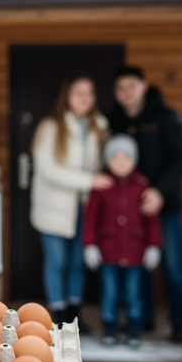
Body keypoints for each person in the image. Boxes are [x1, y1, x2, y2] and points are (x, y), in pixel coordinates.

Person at [108, 66, 182, 343]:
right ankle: (143, 320)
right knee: (137, 264)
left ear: (143, 86)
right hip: (130, 211)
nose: (126, 92)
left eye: (131, 86)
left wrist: (159, 192)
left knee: (170, 264)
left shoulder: (166, 118)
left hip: (164, 206)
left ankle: (179, 323)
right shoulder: (115, 122)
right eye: (121, 88)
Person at [30, 74, 111, 331]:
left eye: (89, 92)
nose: (84, 98)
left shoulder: (100, 125)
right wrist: (89, 181)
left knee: (78, 263)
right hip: (53, 208)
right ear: (67, 96)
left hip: (85, 208)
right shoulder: (51, 126)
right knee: (57, 261)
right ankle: (59, 316)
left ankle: (74, 317)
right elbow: (48, 169)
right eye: (78, 92)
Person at [83, 135, 162, 349]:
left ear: (134, 160)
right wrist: (90, 245)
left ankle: (134, 330)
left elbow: (152, 221)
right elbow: (90, 219)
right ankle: (110, 329)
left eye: (125, 157)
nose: (120, 161)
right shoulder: (101, 187)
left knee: (134, 294)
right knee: (109, 293)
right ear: (108, 161)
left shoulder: (142, 187)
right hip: (108, 253)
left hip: (135, 254)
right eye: (115, 157)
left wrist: (154, 246)